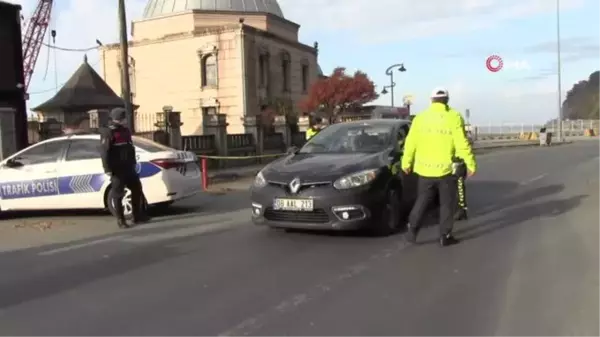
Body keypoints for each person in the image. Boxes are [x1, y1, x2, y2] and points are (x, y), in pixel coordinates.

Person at [401, 87, 476, 246]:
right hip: (446, 171)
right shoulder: (454, 117)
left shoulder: (420, 118)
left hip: (424, 170)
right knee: (446, 205)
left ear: (431, 100)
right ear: (447, 100)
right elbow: (461, 143)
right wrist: (470, 163)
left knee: (422, 202)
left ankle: (412, 231)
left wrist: (406, 162)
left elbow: (410, 143)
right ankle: (445, 236)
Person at [100, 108, 150, 228]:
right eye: (124, 118)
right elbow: (104, 152)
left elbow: (130, 147)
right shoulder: (109, 132)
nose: (127, 120)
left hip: (129, 167)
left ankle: (137, 216)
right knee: (118, 194)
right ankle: (121, 220)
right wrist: (107, 169)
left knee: (137, 188)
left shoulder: (125, 131)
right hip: (117, 169)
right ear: (119, 119)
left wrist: (133, 162)